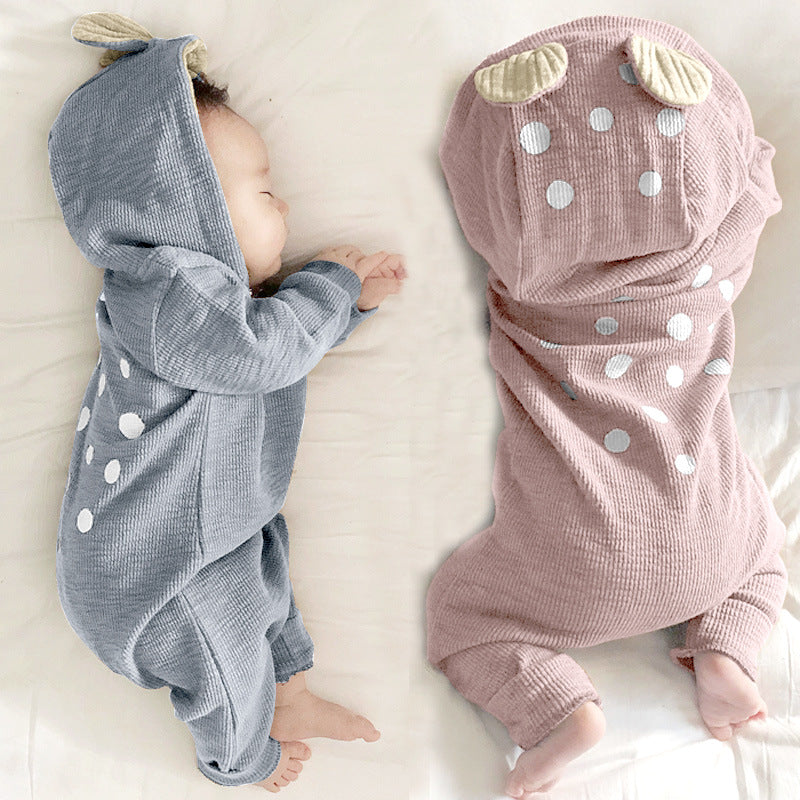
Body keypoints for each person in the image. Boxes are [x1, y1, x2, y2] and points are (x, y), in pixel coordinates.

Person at [426, 14, 787, 798]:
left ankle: (555, 710)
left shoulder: (524, 277)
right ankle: (726, 648)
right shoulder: (714, 260)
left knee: (459, 619)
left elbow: (476, 188)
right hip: (710, 536)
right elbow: (754, 182)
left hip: (574, 559)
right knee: (763, 553)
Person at [48, 12, 405, 791]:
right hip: (149, 574)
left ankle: (290, 696)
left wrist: (345, 311)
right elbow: (263, 351)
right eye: (265, 191)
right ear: (191, 208)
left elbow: (262, 354)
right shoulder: (167, 292)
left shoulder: (199, 302)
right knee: (225, 655)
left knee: (264, 578)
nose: (285, 210)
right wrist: (332, 286)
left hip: (198, 536)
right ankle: (239, 759)